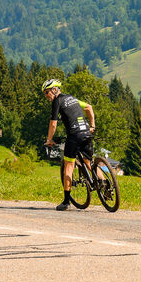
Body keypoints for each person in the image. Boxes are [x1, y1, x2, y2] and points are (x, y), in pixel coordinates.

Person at [42, 79, 96, 211]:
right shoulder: (72, 98)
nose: (46, 96)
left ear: (55, 90)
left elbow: (53, 123)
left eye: (47, 92)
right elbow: (89, 107)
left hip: (74, 135)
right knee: (88, 162)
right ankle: (104, 185)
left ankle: (66, 202)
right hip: (86, 133)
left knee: (68, 166)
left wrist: (49, 139)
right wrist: (92, 125)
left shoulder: (57, 101)